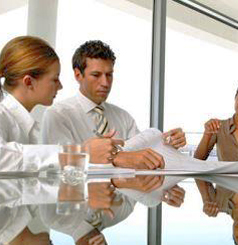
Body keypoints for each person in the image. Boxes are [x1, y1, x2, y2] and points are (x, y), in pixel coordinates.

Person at [0, 36, 121, 173]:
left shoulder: (31, 132)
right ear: (29, 82)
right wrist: (78, 153)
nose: (60, 86)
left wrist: (88, 154)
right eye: (54, 79)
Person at [41, 40, 186, 170]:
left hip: (123, 197)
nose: (105, 83)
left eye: (109, 75)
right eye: (96, 75)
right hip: (79, 197)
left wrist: (167, 146)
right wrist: (115, 159)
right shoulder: (58, 115)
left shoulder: (123, 117)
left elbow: (143, 157)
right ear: (78, 75)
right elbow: (60, 166)